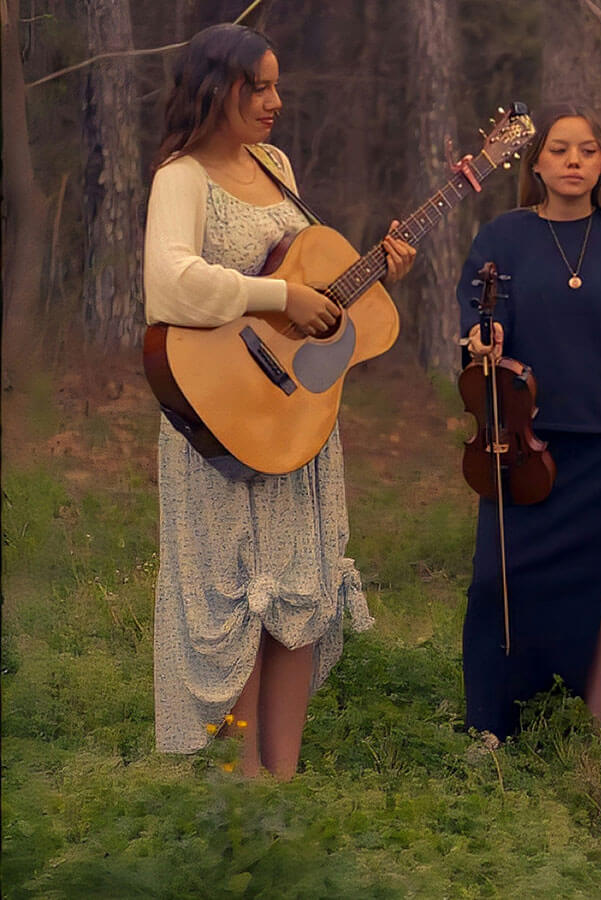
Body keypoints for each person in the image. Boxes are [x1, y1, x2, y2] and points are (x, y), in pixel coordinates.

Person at [144, 23, 417, 778]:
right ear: (214, 89)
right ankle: (241, 794)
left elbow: (308, 296)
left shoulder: (276, 165)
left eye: (276, 85)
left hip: (293, 419)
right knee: (236, 605)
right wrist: (282, 294)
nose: (276, 101)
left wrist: (363, 280)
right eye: (258, 87)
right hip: (218, 419)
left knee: (297, 600)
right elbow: (172, 285)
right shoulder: (182, 177)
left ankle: (282, 784)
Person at [456, 104, 601, 739]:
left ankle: (595, 737)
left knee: (599, 588)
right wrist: (484, 338)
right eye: (559, 150)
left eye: (586, 150)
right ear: (536, 163)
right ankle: (489, 731)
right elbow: (479, 318)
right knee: (496, 582)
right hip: (522, 443)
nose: (573, 161)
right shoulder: (503, 237)